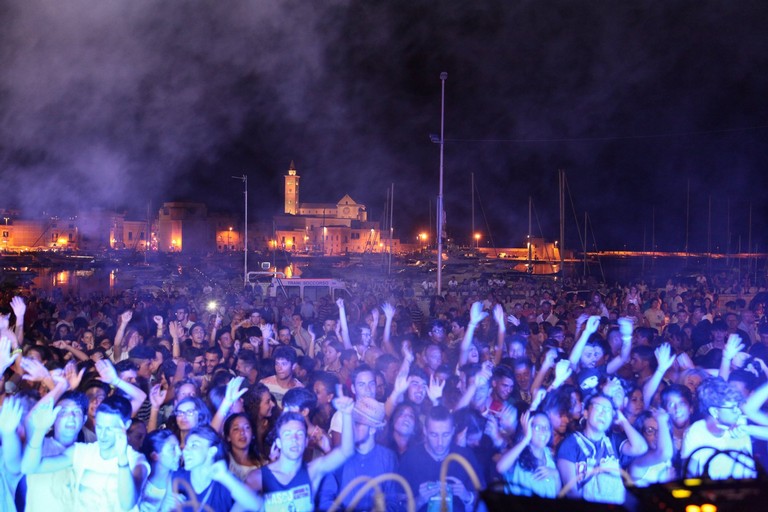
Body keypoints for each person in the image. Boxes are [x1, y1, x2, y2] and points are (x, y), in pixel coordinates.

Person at [22, 395, 150, 512]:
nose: (103, 434)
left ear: (126, 425)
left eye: (110, 429)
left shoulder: (136, 460)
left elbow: (127, 504)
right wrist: (39, 431)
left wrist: (122, 457)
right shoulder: (82, 451)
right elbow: (31, 467)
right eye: (99, 427)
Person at [246, 387, 356, 512]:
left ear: (305, 442)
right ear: (278, 443)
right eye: (287, 435)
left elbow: (345, 452)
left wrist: (346, 414)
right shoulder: (257, 477)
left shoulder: (312, 470)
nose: (294, 439)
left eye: (299, 434)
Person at [556, 393, 647, 504]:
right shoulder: (570, 443)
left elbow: (641, 448)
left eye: (608, 411)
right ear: (586, 413)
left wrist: (623, 421)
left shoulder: (613, 440)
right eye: (598, 407)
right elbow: (571, 491)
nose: (603, 413)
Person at [317, 397, 399, 511]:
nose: (353, 427)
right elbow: (325, 498)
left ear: (372, 430)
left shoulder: (388, 458)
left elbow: (394, 501)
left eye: (359, 424)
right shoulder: (338, 456)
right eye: (353, 422)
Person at [398, 406, 485, 512]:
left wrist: (467, 496)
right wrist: (420, 500)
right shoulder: (410, 458)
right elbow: (398, 507)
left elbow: (484, 500)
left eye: (445, 435)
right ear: (425, 431)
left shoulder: (465, 456)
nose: (440, 443)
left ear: (453, 431)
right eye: (434, 435)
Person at [681, 376, 757, 479]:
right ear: (714, 412)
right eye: (732, 408)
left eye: (737, 406)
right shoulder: (695, 432)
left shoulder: (741, 424)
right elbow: (689, 474)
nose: (738, 411)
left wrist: (750, 430)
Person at [173, 425, 263, 511]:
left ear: (211, 451)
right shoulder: (176, 477)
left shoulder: (224, 482)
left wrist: (225, 477)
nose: (185, 451)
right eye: (186, 446)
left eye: (194, 446)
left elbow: (256, 506)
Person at [497, 410, 561, 498]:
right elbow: (500, 467)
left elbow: (557, 494)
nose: (543, 431)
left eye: (547, 428)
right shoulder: (518, 454)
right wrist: (526, 439)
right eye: (538, 427)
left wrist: (556, 474)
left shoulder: (550, 454)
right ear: (528, 429)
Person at [139, 429, 181, 512]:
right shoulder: (139, 481)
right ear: (155, 455)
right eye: (173, 449)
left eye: (178, 447)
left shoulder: (181, 482)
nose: (180, 452)